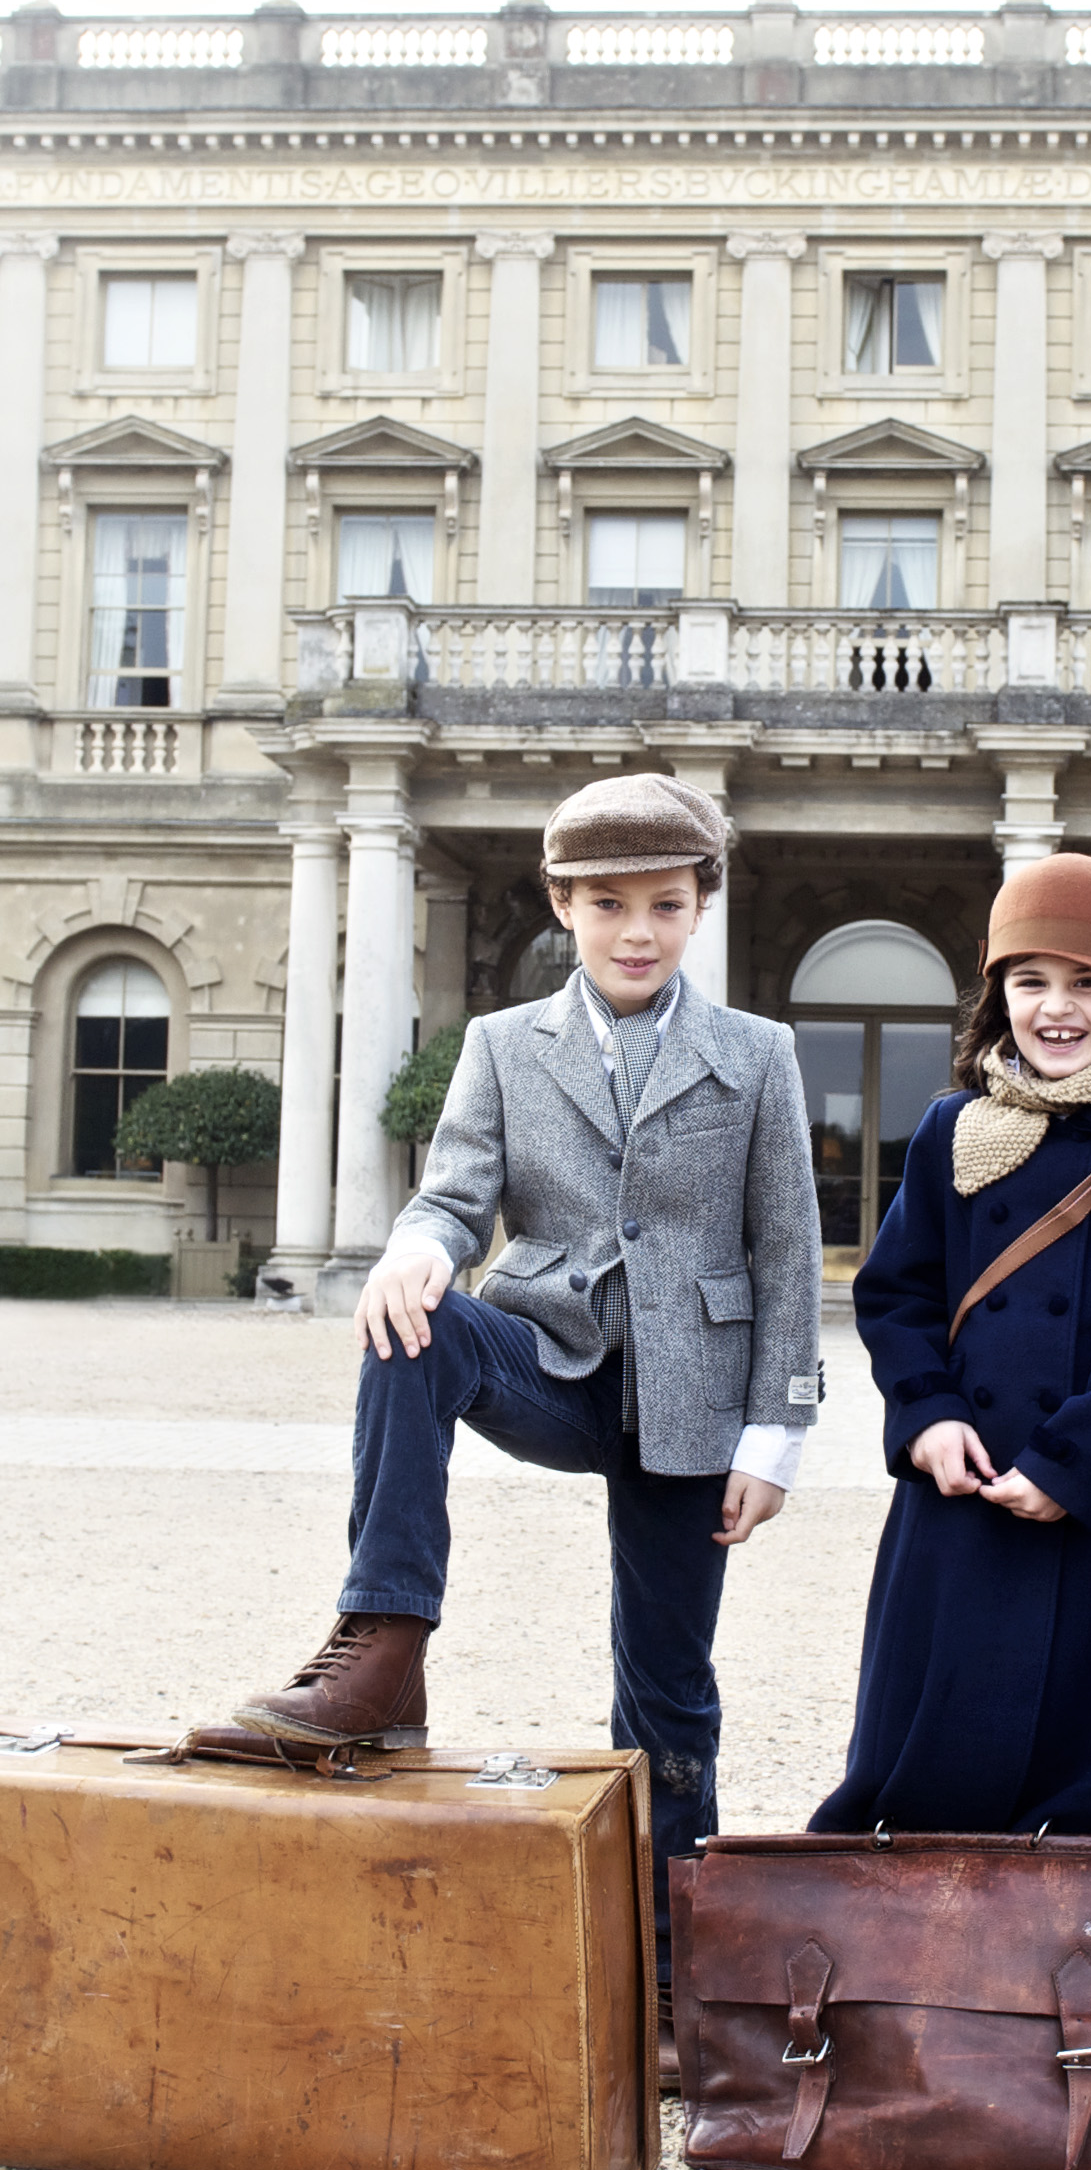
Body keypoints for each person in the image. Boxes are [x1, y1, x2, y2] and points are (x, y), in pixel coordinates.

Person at [231, 774, 822, 1992]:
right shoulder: (504, 1048)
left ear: (702, 903)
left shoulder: (758, 1056)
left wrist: (777, 1432)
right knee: (415, 1327)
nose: (637, 931)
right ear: (563, 903)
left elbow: (788, 1249)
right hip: (550, 1359)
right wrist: (414, 1250)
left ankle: (669, 1961)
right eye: (608, 904)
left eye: (664, 903)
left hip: (694, 1400)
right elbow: (454, 1196)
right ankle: (387, 1645)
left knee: (670, 1684)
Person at [812, 853, 1091, 1837]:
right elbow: (896, 1293)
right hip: (963, 1493)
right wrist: (925, 1417)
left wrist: (1071, 1463)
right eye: (1031, 979)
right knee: (925, 1779)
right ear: (997, 994)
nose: (1057, 1007)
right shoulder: (948, 1127)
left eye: (1087, 982)